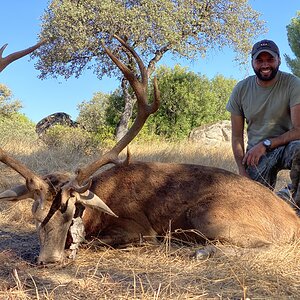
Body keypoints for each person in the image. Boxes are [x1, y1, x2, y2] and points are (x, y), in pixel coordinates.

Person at [226, 39, 300, 195]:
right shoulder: (241, 89)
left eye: (270, 59)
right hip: (256, 153)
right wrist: (242, 170)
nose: (265, 65)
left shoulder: (293, 84)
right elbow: (236, 137)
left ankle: (290, 200)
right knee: (253, 200)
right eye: (259, 60)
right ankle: (279, 200)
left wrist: (266, 144)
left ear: (279, 60)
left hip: (287, 145)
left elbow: (299, 130)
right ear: (252, 62)